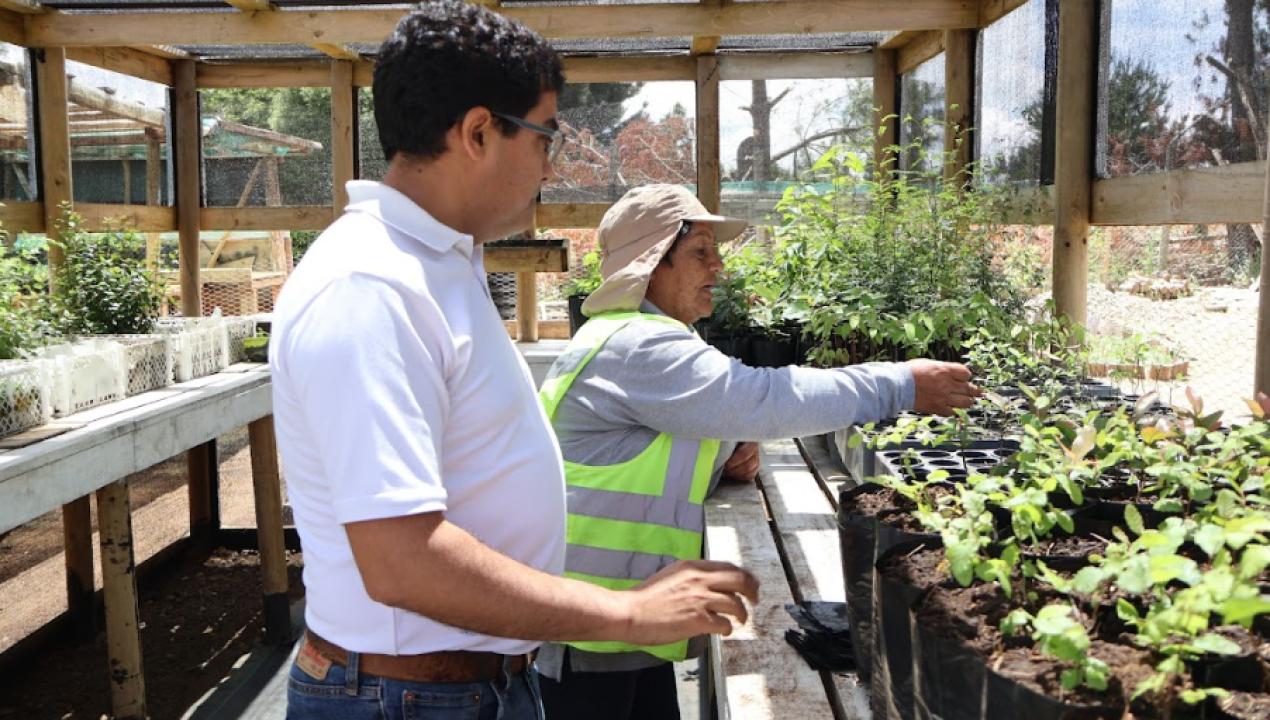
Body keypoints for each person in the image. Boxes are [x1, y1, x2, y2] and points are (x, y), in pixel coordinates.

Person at [269, 7, 758, 720]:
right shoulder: (370, 287)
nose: (551, 165)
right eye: (545, 135)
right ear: (477, 133)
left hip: (464, 684)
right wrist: (626, 612)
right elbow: (403, 561)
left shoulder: (438, 264)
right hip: (408, 698)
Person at [535, 184, 982, 720]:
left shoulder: (625, 337)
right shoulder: (638, 345)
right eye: (700, 252)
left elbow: (632, 457)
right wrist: (900, 384)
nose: (718, 267)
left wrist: (719, 459)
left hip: (622, 616)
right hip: (591, 626)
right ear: (651, 263)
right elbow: (762, 399)